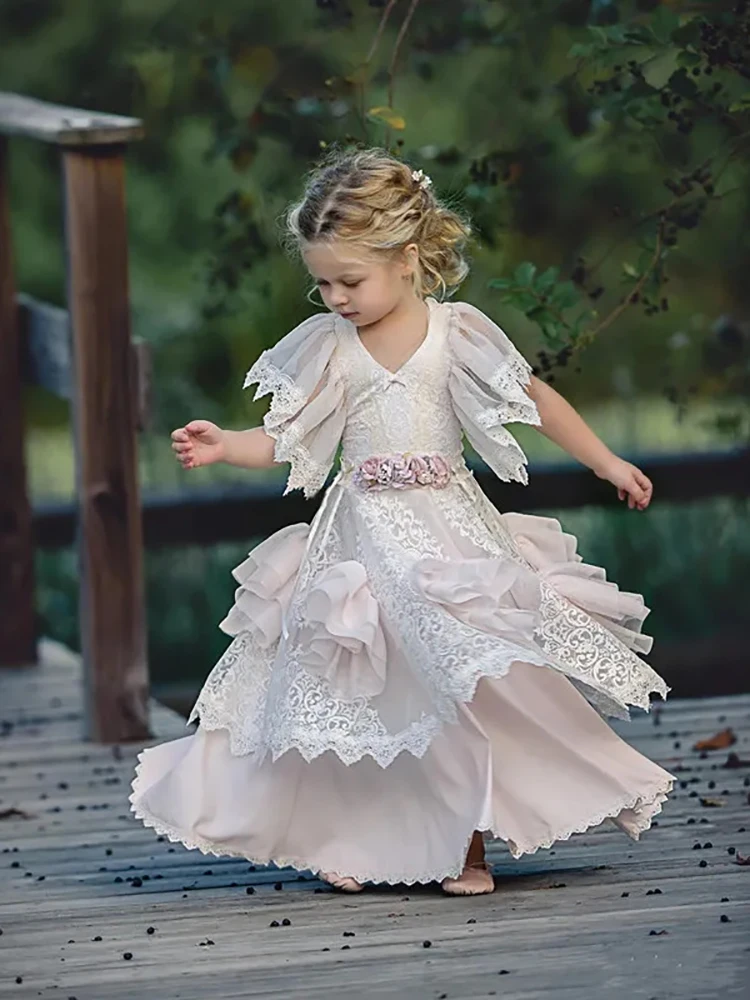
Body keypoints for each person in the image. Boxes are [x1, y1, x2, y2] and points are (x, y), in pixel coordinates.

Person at [129, 147, 676, 896]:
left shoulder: (456, 333)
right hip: (360, 543)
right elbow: (289, 436)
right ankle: (354, 838)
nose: (336, 298)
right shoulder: (332, 347)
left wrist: (607, 462)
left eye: (349, 280)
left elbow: (536, 400)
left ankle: (466, 847)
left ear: (408, 258)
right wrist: (227, 445)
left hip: (447, 539)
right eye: (322, 283)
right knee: (362, 692)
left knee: (457, 680)